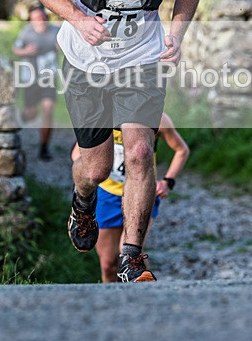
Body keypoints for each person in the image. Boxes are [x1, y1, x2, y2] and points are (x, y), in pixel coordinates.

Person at [32, 0, 202, 282]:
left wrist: (176, 34)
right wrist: (77, 19)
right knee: (97, 168)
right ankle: (82, 202)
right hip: (85, 60)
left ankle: (132, 257)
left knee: (141, 151)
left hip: (142, 58)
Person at [71, 113, 189, 283]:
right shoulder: (103, 113)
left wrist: (167, 181)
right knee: (108, 264)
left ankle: (142, 291)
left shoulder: (158, 119)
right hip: (107, 195)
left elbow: (181, 150)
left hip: (141, 195)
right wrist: (93, 172)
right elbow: (77, 154)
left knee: (129, 253)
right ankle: (111, 297)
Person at [12, 4, 60, 160]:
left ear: (46, 17)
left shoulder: (55, 31)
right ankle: (25, 115)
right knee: (31, 114)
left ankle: (44, 147)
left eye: (41, 17)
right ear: (31, 21)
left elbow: (65, 46)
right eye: (35, 18)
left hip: (48, 77)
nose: (39, 21)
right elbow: (15, 49)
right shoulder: (26, 33)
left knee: (48, 108)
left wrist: (60, 46)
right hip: (31, 78)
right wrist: (25, 51)